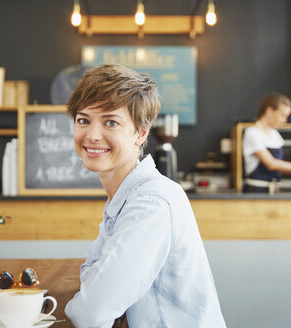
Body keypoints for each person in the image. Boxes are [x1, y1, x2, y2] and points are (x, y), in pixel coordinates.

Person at [64, 64, 226, 328]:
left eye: (111, 122)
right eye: (84, 120)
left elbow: (90, 313)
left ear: (140, 133)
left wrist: (80, 301)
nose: (92, 135)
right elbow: (89, 275)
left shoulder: (150, 203)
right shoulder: (126, 195)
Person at [242, 93, 291, 193]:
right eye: (282, 115)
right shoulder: (252, 133)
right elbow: (271, 164)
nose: (285, 120)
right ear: (269, 111)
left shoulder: (276, 135)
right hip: (256, 191)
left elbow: (281, 167)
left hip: (275, 190)